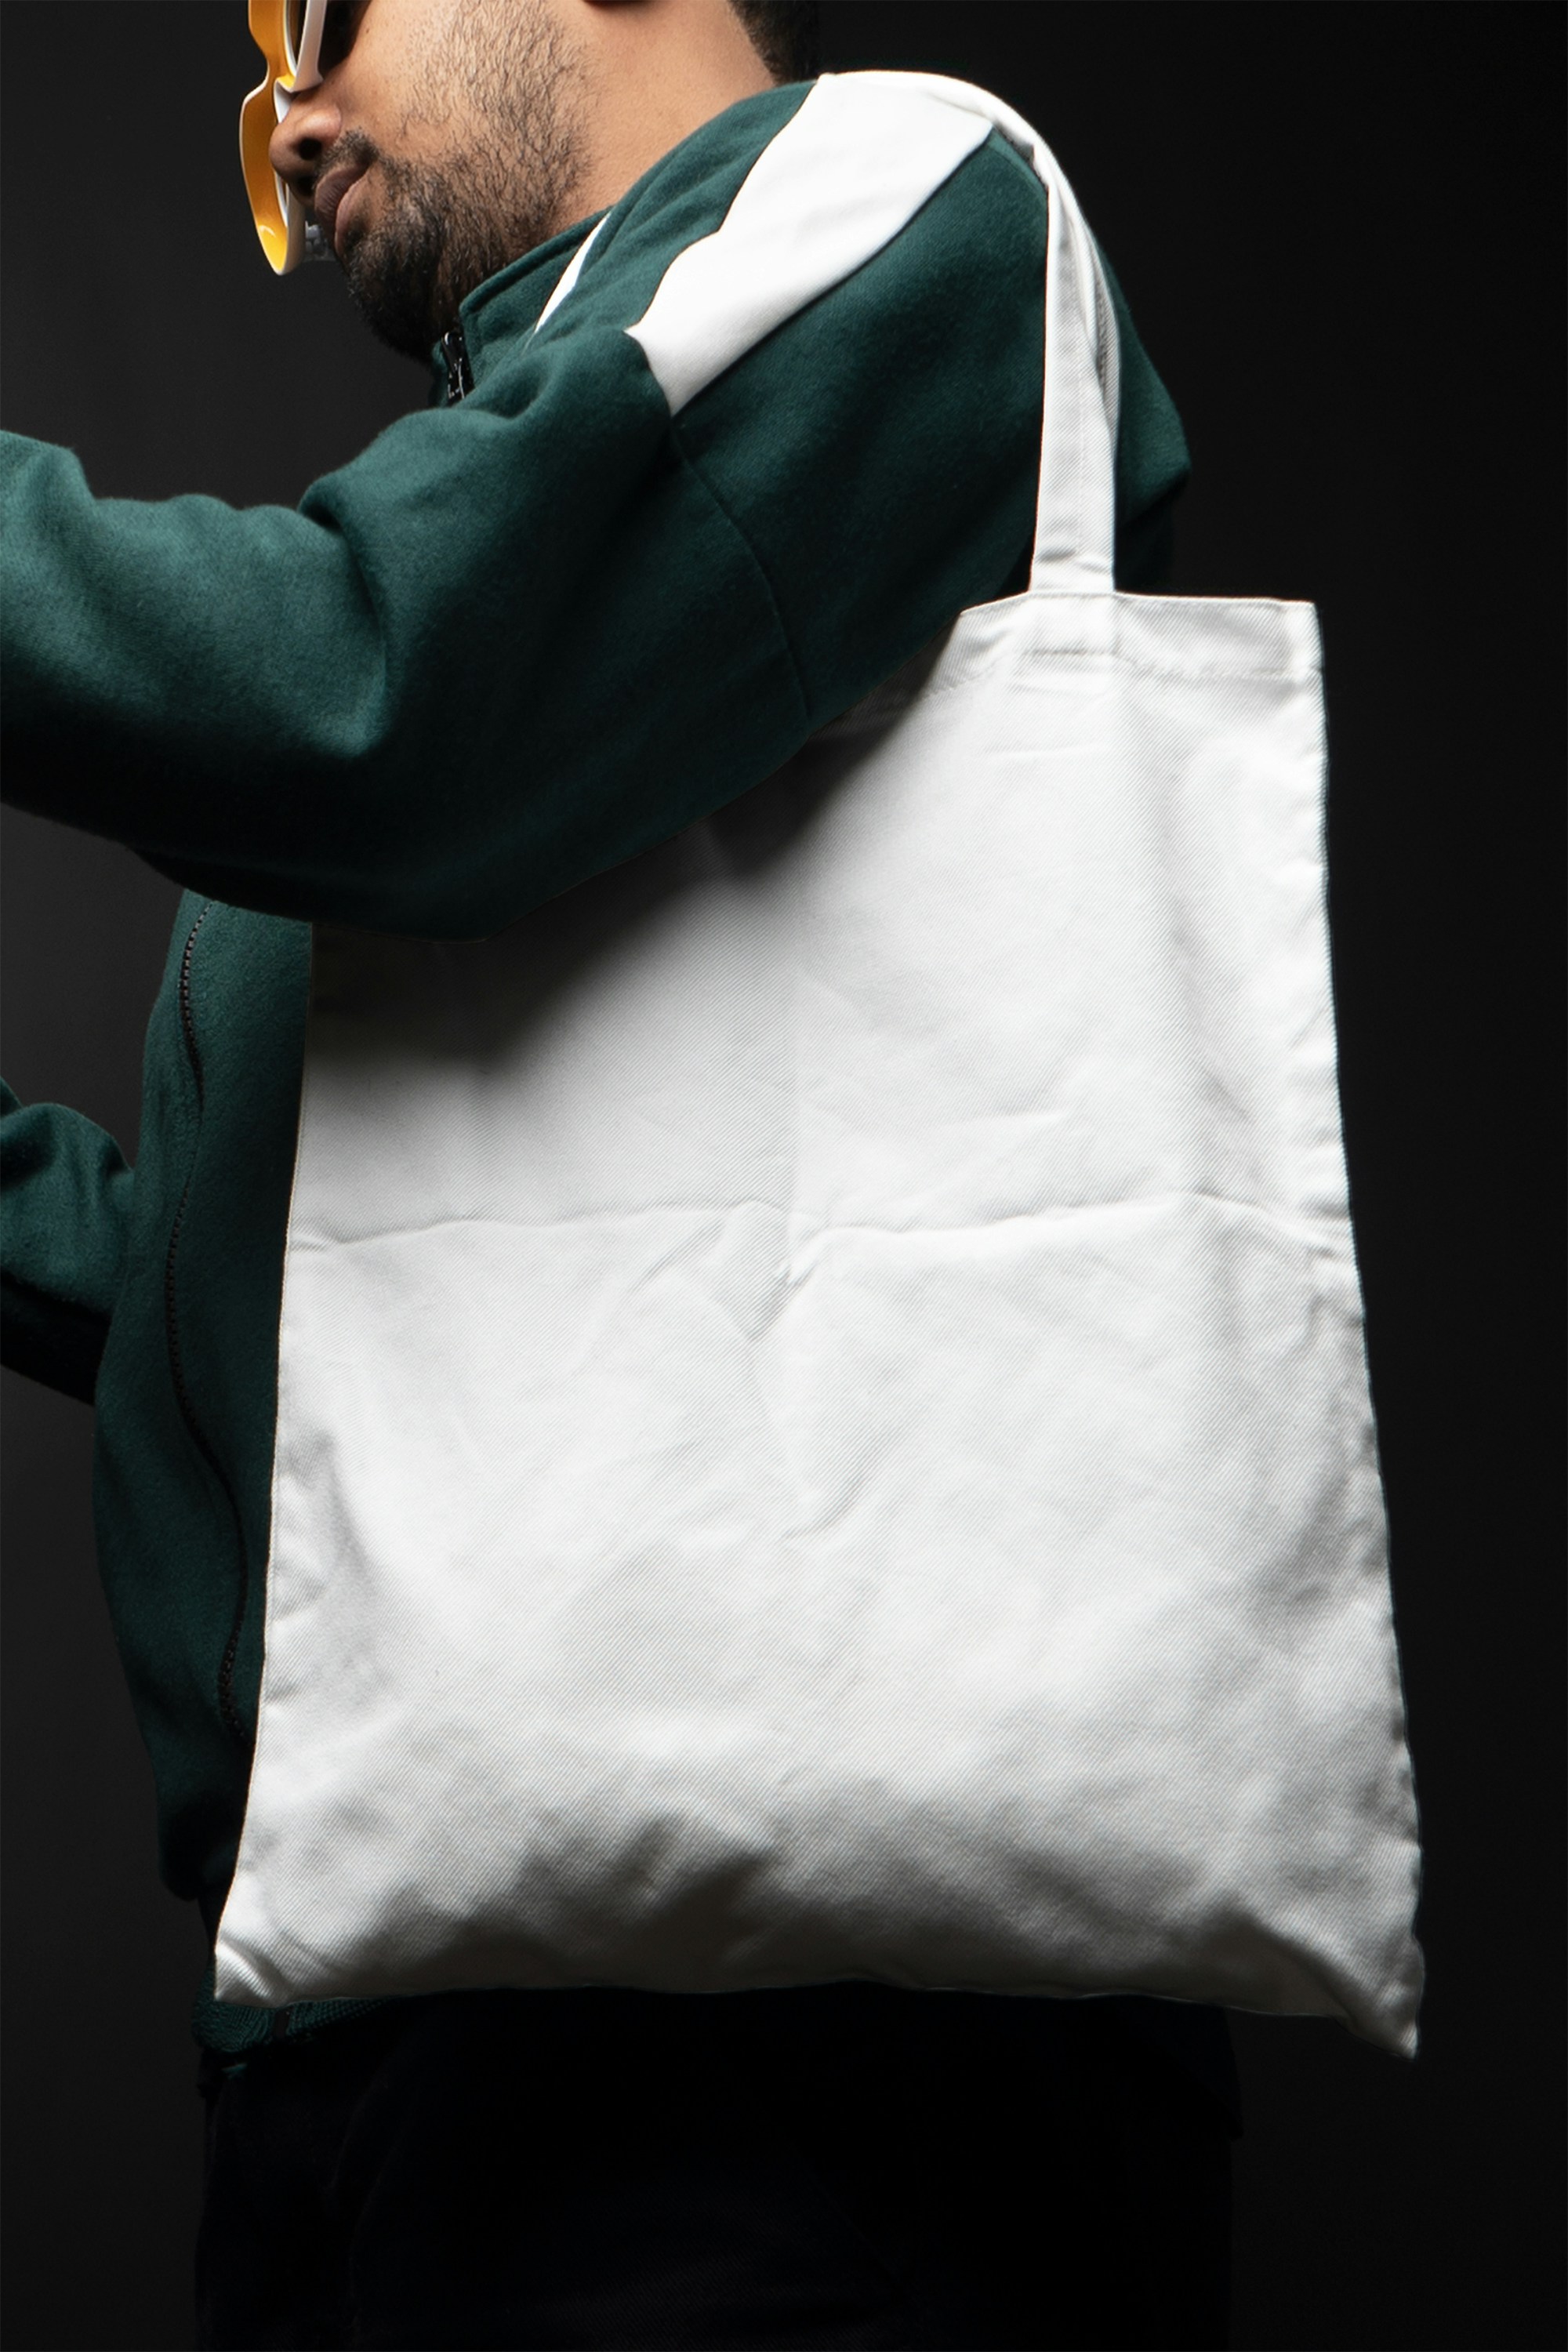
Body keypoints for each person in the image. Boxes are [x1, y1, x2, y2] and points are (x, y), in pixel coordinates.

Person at [2, 2, 1241, 2343]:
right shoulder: (527, 495)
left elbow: (378, 695)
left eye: (319, 16)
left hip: (774, 2056)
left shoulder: (903, 198)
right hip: (358, 2018)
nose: (286, 114)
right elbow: (235, 1258)